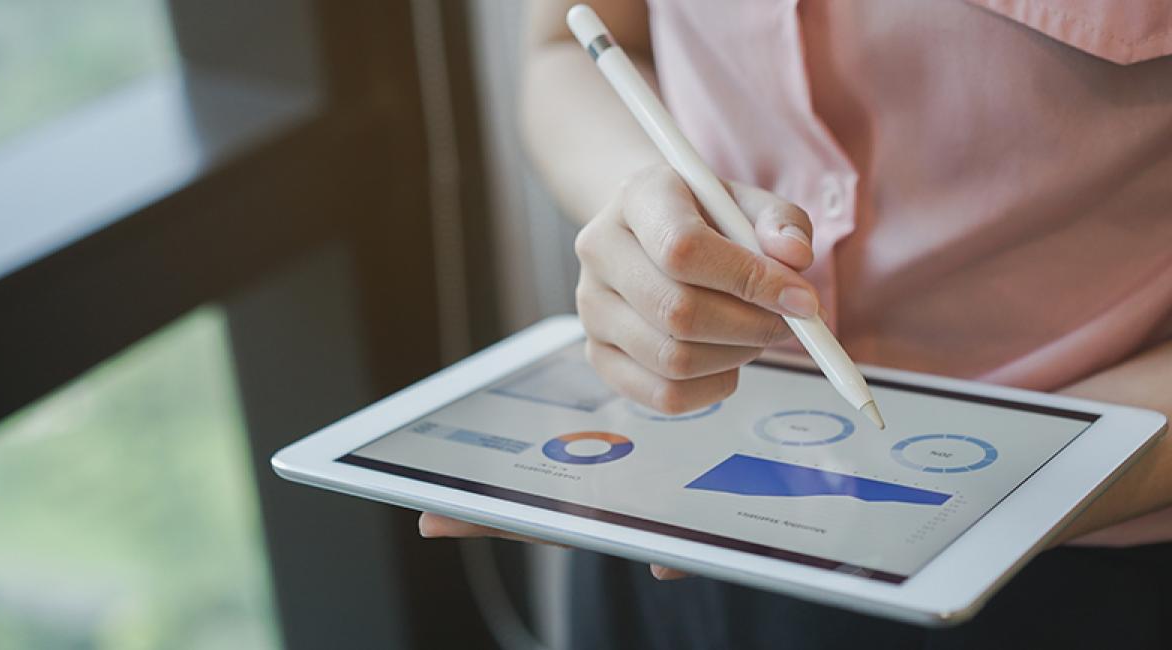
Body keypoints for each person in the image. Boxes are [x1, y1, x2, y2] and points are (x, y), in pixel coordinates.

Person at [420, 1, 1172, 646]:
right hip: (676, 497)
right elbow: (573, 41)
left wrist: (987, 486)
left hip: (1072, 559)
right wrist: (649, 215)